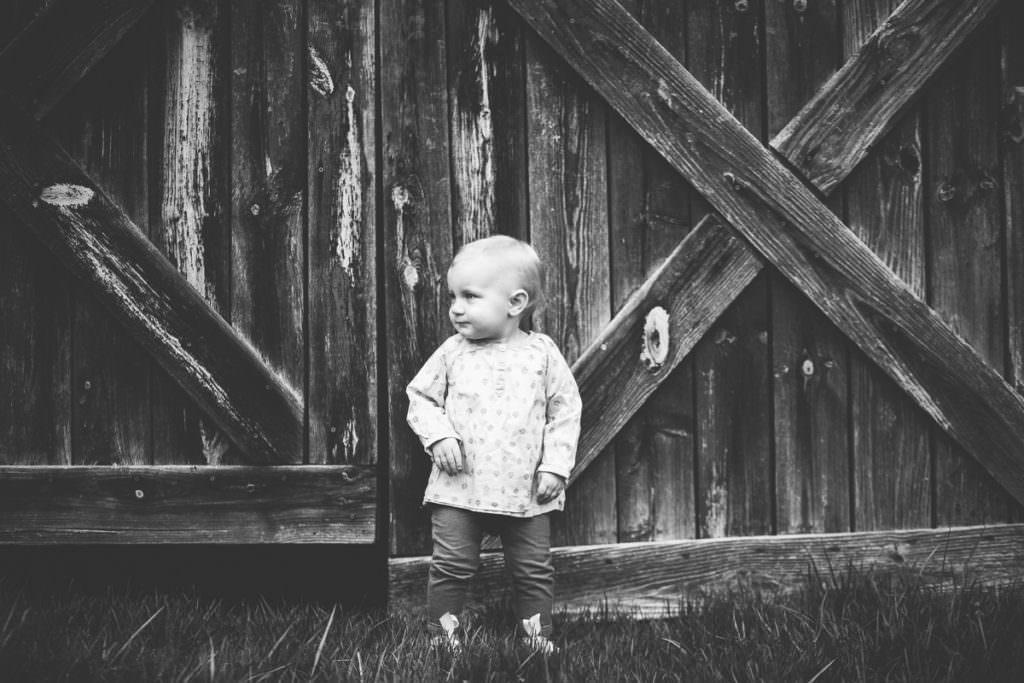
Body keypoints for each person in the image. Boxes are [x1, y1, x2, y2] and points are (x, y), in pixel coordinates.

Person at [406, 235, 582, 657]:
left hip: (525, 490)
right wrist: (440, 435)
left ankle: (537, 637)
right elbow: (421, 397)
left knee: (533, 571)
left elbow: (565, 410)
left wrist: (556, 466)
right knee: (451, 565)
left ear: (515, 302)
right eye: (453, 296)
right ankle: (442, 636)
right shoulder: (453, 352)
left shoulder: (541, 353)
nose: (456, 307)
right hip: (459, 487)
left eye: (470, 296)